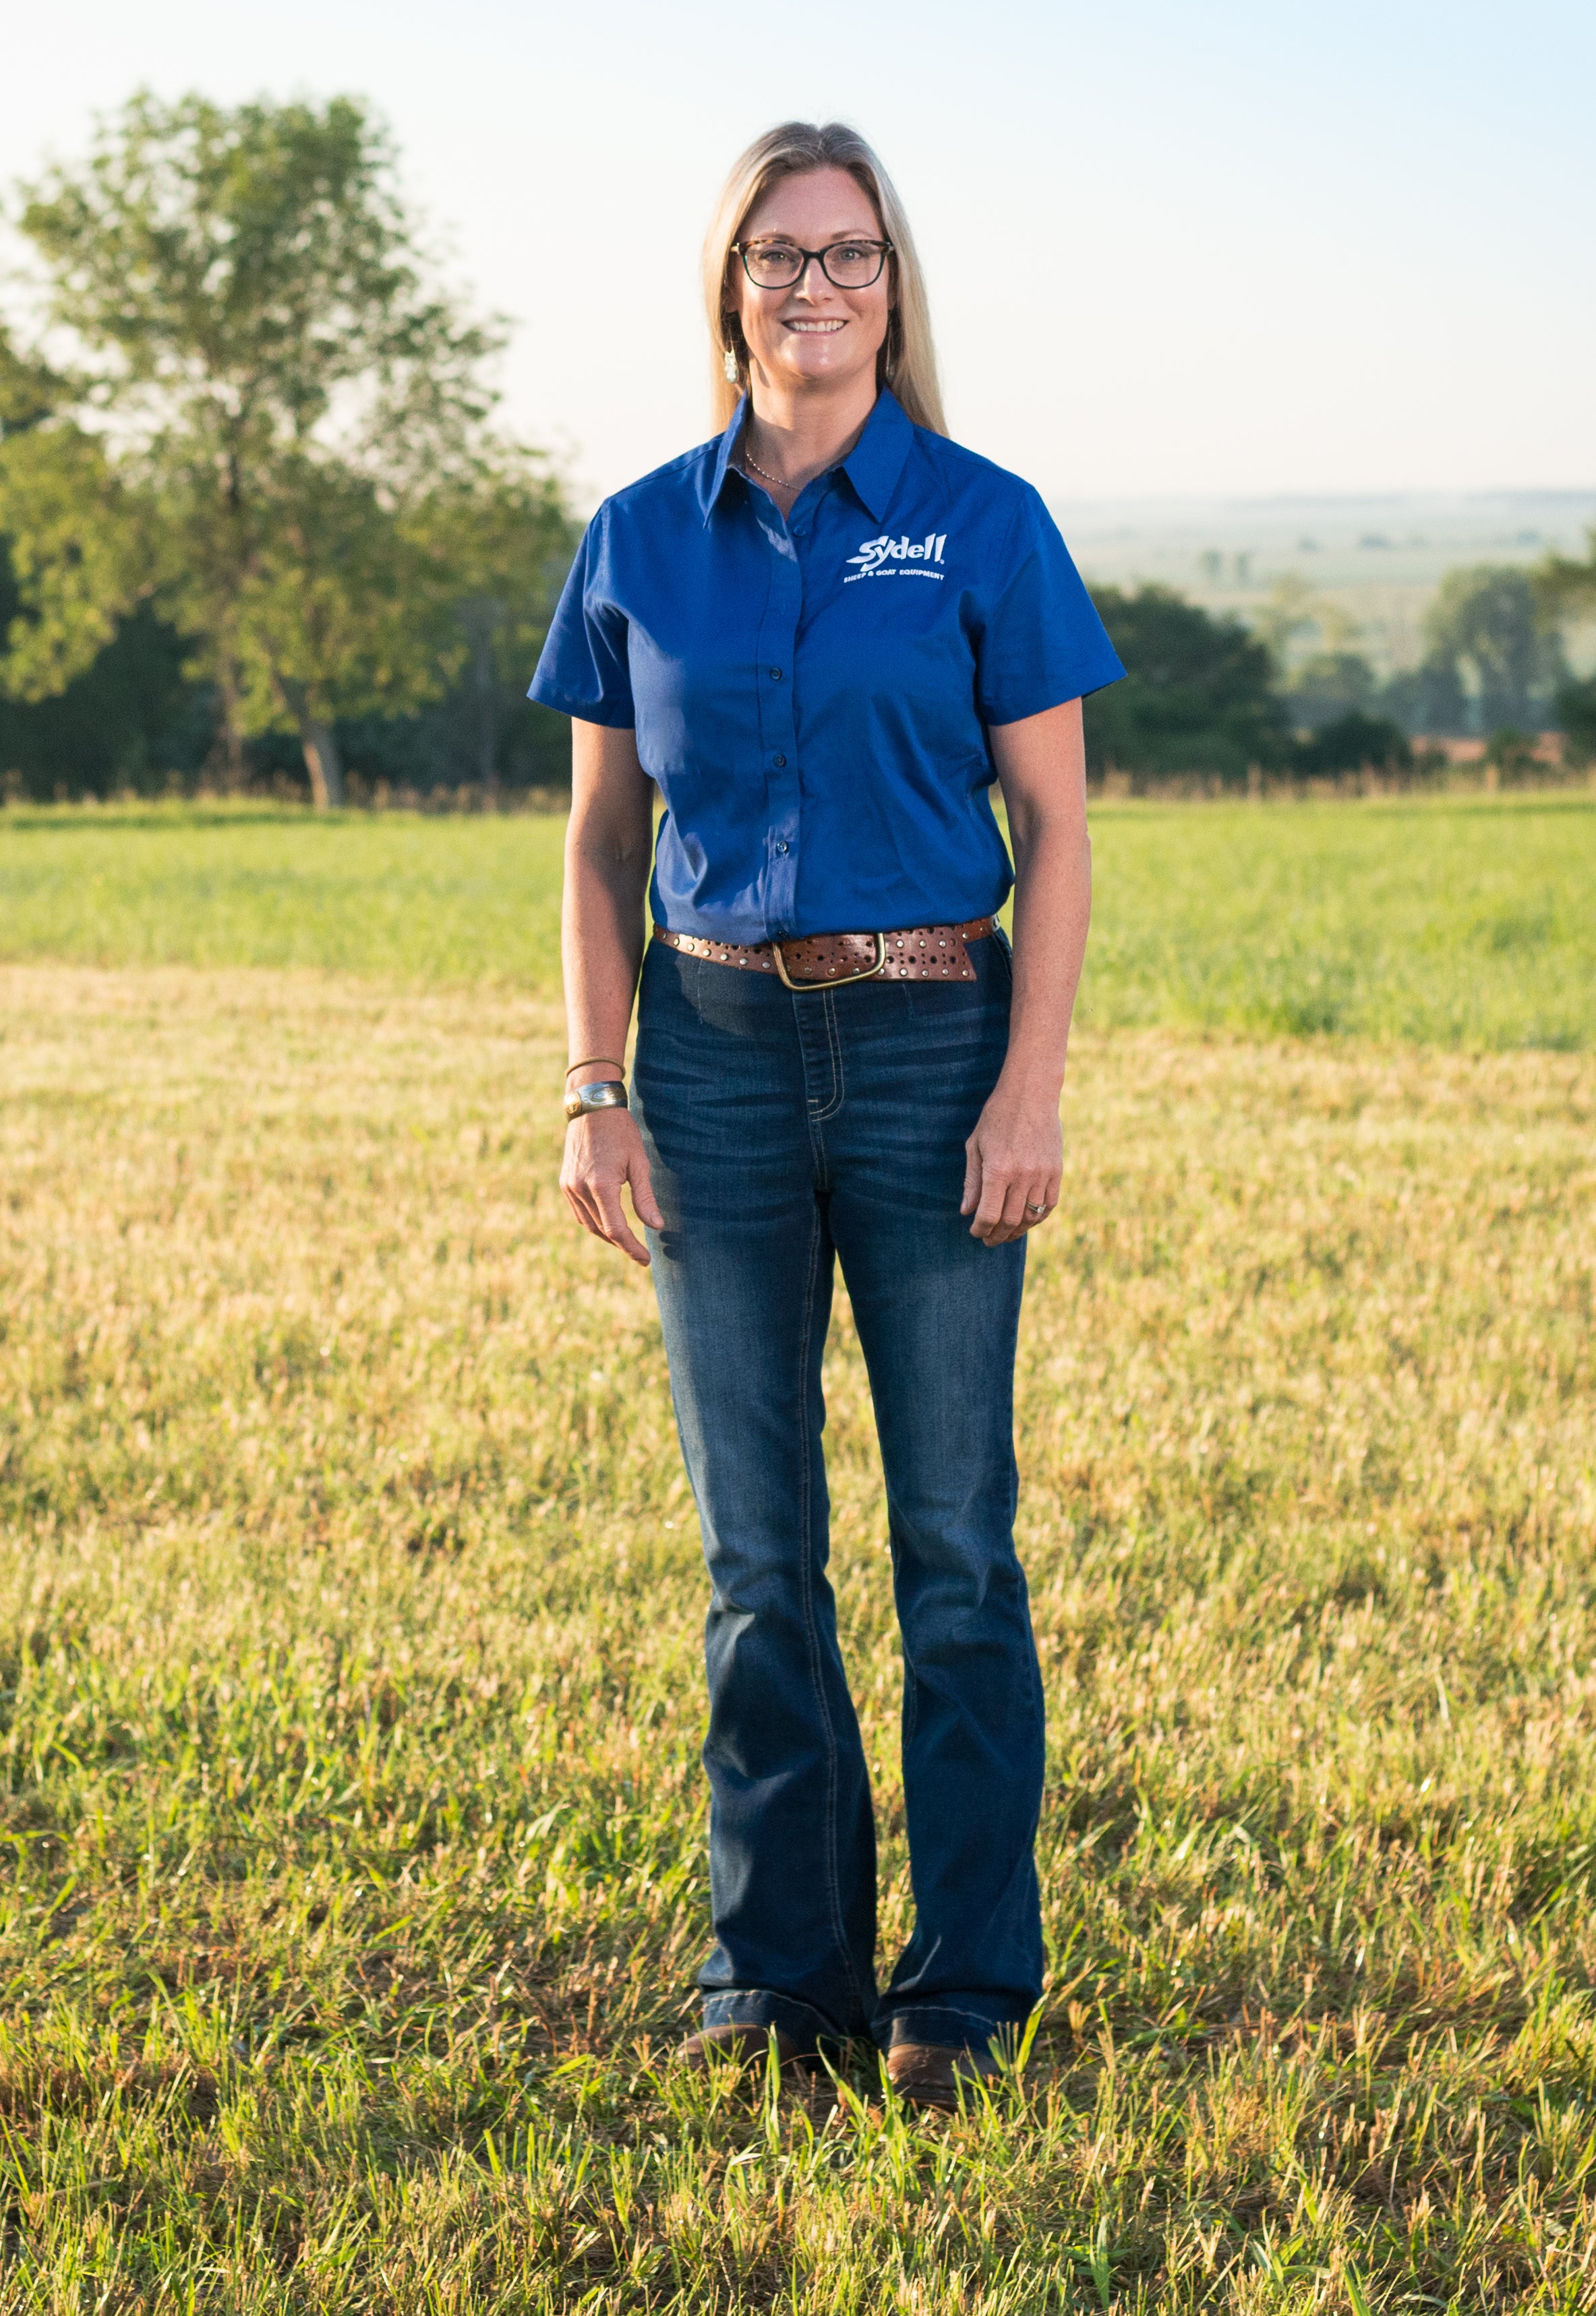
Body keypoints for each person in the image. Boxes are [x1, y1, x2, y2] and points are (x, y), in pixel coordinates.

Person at [529, 121, 1122, 2109]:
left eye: (850, 253)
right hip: (702, 1062)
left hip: (937, 1051)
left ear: (894, 284)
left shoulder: (980, 518)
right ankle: (779, 1983)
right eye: (778, 255)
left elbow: (1055, 828)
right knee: (756, 1554)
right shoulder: (638, 537)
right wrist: (596, 1087)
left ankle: (964, 1992)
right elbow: (604, 842)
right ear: (729, 284)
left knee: (956, 1546)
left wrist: (1031, 1085)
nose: (814, 286)